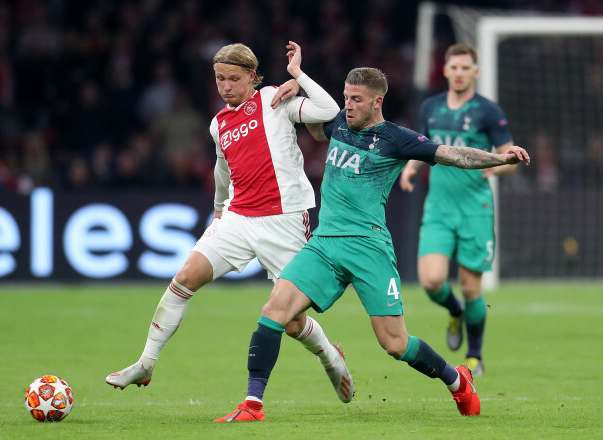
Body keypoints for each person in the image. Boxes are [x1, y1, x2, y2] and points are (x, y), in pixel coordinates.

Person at [215, 67, 530, 422]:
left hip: (369, 249)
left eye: (357, 100)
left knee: (395, 344)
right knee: (274, 312)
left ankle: (457, 381)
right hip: (325, 245)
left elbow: (453, 155)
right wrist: (297, 86)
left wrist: (500, 158)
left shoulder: (398, 138)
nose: (347, 105)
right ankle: (253, 405)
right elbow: (317, 126)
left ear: (377, 101)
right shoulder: (339, 123)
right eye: (346, 97)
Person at [106, 41, 355, 405]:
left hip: (283, 221)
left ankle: (330, 356)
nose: (225, 86)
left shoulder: (275, 99)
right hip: (237, 217)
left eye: (233, 79)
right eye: (219, 78)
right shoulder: (218, 123)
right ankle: (146, 362)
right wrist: (219, 206)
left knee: (291, 321)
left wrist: (297, 78)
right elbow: (223, 170)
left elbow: (329, 109)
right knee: (184, 278)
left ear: (252, 77)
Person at [399, 44, 518, 376]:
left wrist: (496, 168)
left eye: (467, 68)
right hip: (438, 207)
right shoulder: (431, 107)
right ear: (446, 70)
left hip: (475, 208)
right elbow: (421, 146)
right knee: (432, 280)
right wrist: (410, 168)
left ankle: (475, 356)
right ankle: (455, 313)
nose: (460, 72)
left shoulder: (488, 111)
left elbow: (509, 157)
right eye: (455, 67)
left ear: (476, 72)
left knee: (470, 287)